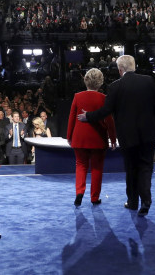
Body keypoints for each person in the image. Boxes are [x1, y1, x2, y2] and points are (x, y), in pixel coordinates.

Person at [78, 55, 155, 216]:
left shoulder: (116, 86)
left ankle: (132, 202)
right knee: (145, 167)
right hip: (148, 133)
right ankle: (146, 200)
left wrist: (88, 116)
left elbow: (105, 111)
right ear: (134, 66)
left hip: (128, 136)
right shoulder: (148, 81)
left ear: (120, 69)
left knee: (131, 169)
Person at [67, 68, 117, 207]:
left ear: (86, 81)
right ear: (100, 83)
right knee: (97, 168)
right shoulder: (103, 98)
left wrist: (69, 136)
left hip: (80, 137)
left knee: (81, 165)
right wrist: (113, 139)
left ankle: (79, 193)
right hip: (98, 138)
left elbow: (71, 117)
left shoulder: (77, 96)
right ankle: (94, 197)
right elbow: (109, 120)